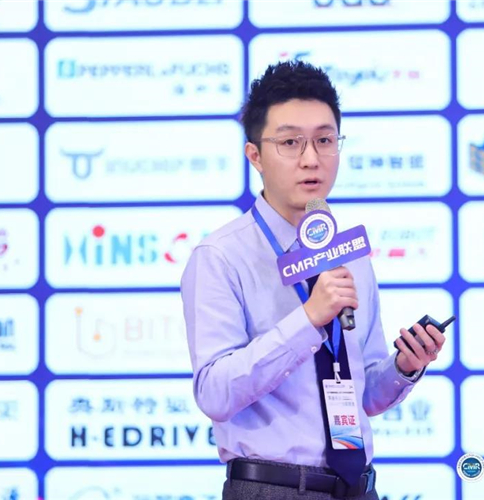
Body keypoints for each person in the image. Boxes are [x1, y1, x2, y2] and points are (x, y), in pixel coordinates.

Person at [180, 61, 446, 500]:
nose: (311, 158)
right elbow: (214, 392)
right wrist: (308, 319)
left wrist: (404, 367)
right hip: (273, 488)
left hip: (357, 487)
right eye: (290, 142)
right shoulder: (220, 256)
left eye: (325, 140)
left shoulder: (350, 254)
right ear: (254, 155)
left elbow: (366, 395)